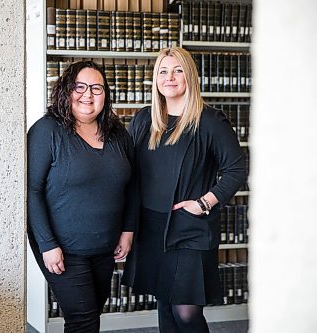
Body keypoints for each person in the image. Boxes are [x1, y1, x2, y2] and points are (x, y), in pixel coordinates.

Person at [122, 47, 247, 333]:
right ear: (156, 79)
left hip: (189, 228)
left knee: (186, 313)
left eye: (178, 70)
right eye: (163, 71)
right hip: (151, 229)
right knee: (165, 307)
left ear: (189, 76)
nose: (170, 77)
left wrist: (204, 203)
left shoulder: (210, 121)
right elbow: (129, 175)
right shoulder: (144, 120)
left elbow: (236, 170)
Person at [27, 60, 135, 333]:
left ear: (105, 95)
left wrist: (128, 229)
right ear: (66, 91)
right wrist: (47, 244)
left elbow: (133, 186)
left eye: (97, 88)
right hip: (62, 247)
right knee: (84, 321)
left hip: (105, 245)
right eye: (80, 87)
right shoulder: (46, 130)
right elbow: (32, 190)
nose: (88, 95)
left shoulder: (118, 133)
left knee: (91, 314)